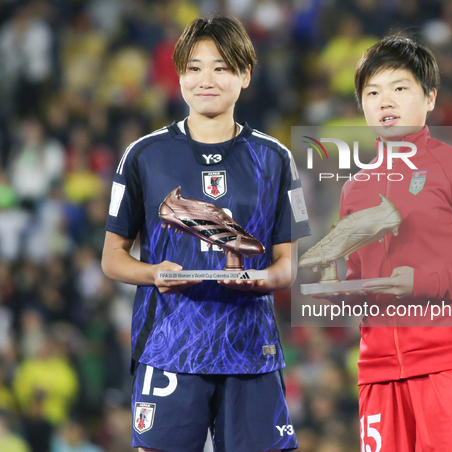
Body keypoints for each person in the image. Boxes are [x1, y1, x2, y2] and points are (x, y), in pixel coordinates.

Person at [101, 17, 311, 452]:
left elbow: (289, 262)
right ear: (179, 75)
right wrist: (155, 272)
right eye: (194, 68)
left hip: (250, 349)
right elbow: (112, 258)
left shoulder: (276, 158)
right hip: (170, 346)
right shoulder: (143, 155)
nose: (205, 80)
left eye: (221, 67)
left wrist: (270, 278)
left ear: (245, 74)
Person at [337, 34, 452, 451]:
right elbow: (357, 279)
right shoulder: (354, 190)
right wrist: (338, 293)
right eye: (373, 92)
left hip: (448, 366)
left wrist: (422, 281)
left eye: (400, 88)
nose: (385, 101)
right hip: (377, 375)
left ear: (430, 98)